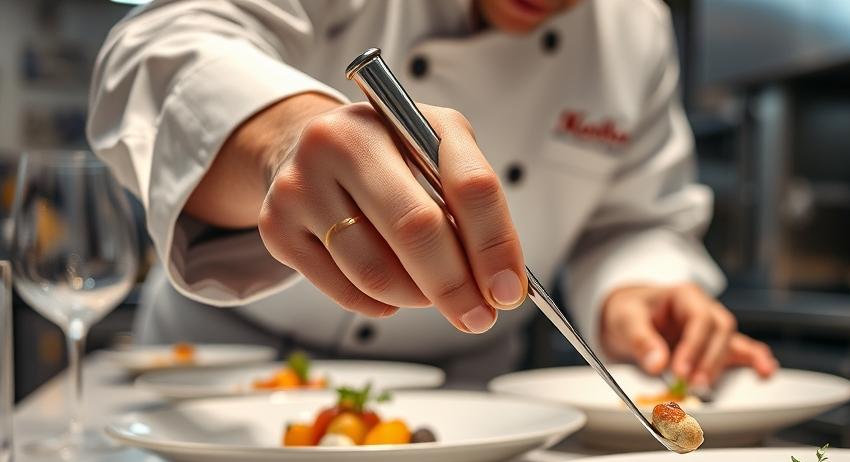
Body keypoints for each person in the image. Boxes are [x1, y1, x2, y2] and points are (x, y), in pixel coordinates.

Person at [88, 0, 776, 387]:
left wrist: (637, 288)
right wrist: (280, 140)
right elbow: (152, 52)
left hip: (466, 412)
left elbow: (632, 219)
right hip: (224, 381)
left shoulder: (637, 29)